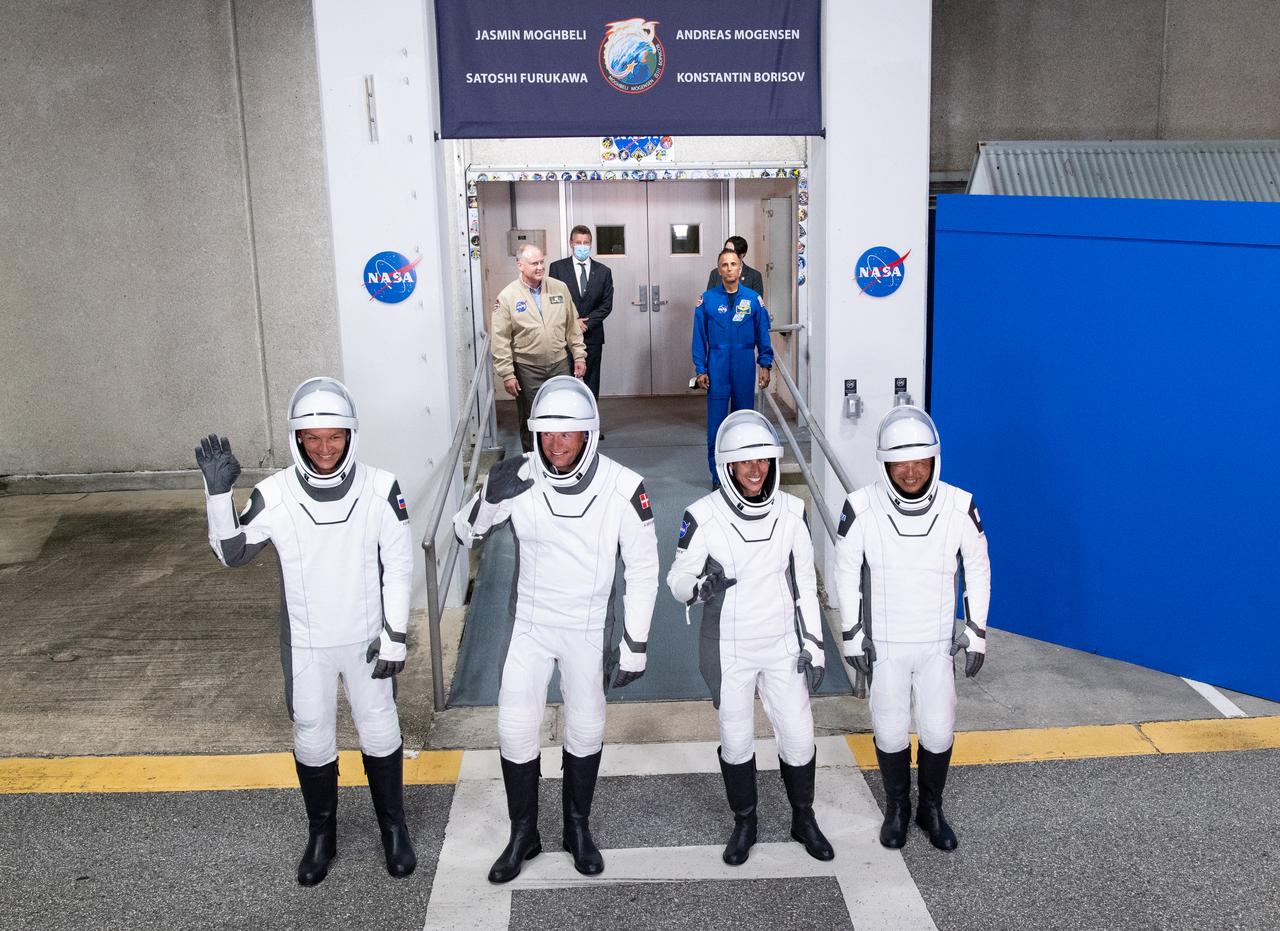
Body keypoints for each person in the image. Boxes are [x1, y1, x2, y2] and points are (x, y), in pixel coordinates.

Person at [194, 377, 416, 886]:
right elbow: (231, 553)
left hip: (367, 641)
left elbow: (399, 565)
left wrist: (396, 634)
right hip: (307, 645)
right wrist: (218, 494)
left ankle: (394, 829)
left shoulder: (382, 487)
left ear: (350, 435)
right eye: (311, 438)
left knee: (380, 729)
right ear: (297, 438)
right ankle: (322, 835)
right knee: (312, 740)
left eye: (333, 435)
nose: (323, 448)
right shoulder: (274, 493)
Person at [452, 376, 658, 883]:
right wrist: (488, 498)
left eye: (567, 435)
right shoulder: (518, 476)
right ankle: (523, 833)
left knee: (586, 726)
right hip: (531, 625)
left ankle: (577, 828)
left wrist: (635, 643)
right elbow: (465, 532)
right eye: (547, 434)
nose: (556, 445)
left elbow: (645, 567)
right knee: (514, 728)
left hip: (587, 628)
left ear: (588, 433)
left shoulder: (625, 486)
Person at [665, 410, 833, 866]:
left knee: (798, 737)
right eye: (745, 462)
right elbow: (676, 578)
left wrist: (814, 645)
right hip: (730, 648)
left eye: (762, 460)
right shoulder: (702, 516)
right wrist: (699, 588)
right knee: (736, 740)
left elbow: (804, 585)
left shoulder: (792, 511)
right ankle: (745, 822)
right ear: (728, 467)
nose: (756, 470)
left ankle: (803, 818)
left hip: (782, 645)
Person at [832, 405, 991, 852]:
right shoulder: (860, 507)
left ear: (935, 459)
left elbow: (977, 568)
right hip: (885, 645)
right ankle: (898, 808)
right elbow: (846, 571)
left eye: (920, 459)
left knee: (939, 730)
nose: (911, 470)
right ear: (884, 462)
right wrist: (852, 632)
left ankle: (931, 808)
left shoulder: (960, 505)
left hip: (937, 644)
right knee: (890, 730)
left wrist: (976, 630)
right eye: (900, 461)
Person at [492, 243, 587, 452]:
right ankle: (533, 462)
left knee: (562, 414)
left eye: (542, 262)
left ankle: (561, 460)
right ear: (520, 265)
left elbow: (572, 325)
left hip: (559, 364)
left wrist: (579, 356)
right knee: (532, 418)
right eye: (534, 263)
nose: (540, 267)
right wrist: (507, 373)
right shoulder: (508, 296)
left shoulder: (559, 288)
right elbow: (500, 339)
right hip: (527, 368)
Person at [692, 249, 773, 487]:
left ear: (740, 268)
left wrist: (765, 364)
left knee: (744, 423)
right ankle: (717, 476)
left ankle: (742, 475)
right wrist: (700, 369)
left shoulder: (753, 300)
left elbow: (762, 334)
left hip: (743, 365)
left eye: (733, 264)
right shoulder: (707, 300)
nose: (729, 269)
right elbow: (699, 338)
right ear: (719, 270)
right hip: (716, 365)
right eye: (724, 265)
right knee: (716, 427)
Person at [549, 225, 614, 404]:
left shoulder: (603, 272)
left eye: (586, 243)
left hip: (592, 336)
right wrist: (573, 322)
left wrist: (587, 322)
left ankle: (591, 427)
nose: (582, 246)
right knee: (566, 382)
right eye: (578, 243)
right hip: (564, 336)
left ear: (591, 244)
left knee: (591, 382)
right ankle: (570, 428)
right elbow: (553, 301)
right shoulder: (557, 268)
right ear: (571, 243)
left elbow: (606, 304)